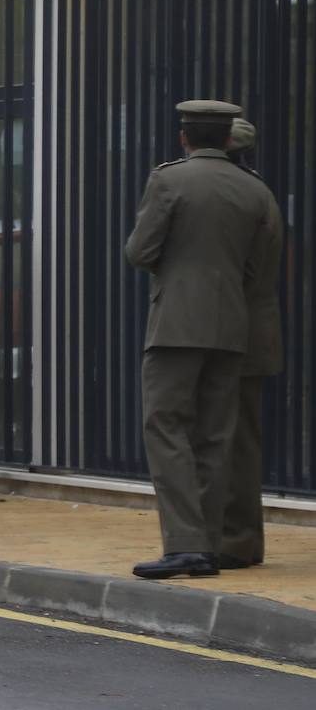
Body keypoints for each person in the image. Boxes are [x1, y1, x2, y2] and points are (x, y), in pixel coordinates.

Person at [125, 100, 274, 579]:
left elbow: (140, 250)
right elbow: (259, 269)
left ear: (184, 137)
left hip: (175, 324)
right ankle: (208, 544)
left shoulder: (168, 180)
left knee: (166, 427)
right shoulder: (255, 190)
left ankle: (185, 544)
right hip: (232, 327)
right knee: (216, 435)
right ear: (227, 138)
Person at [219, 117, 283, 571]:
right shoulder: (260, 193)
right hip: (251, 332)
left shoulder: (239, 199)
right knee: (242, 441)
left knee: (232, 442)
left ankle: (235, 540)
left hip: (232, 333)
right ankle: (242, 540)